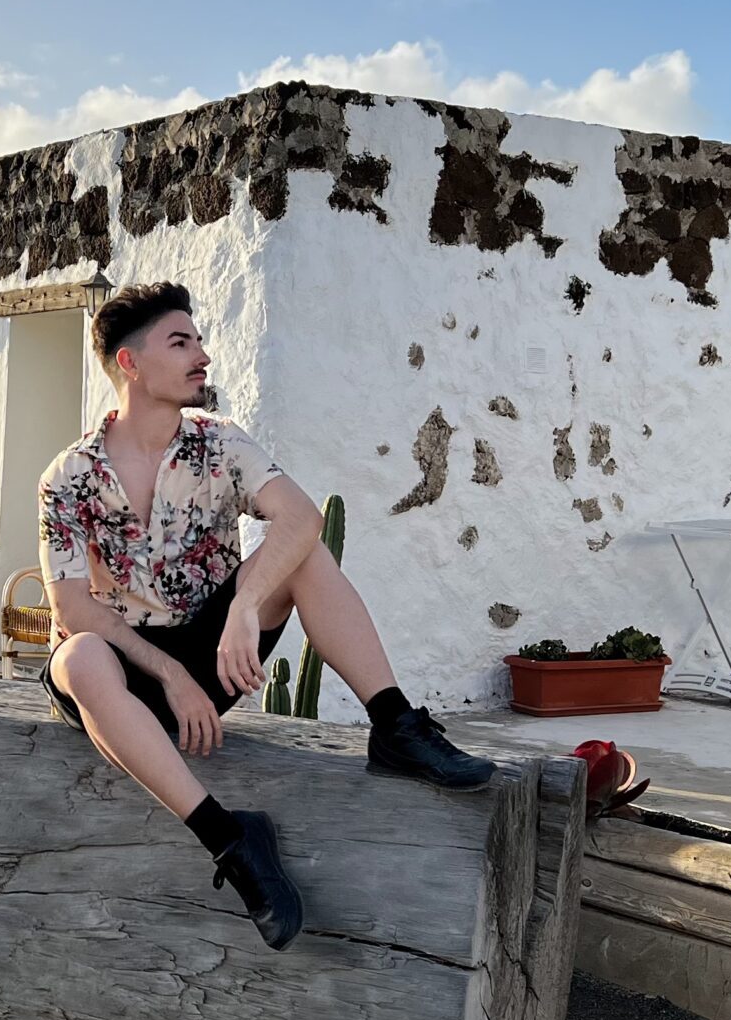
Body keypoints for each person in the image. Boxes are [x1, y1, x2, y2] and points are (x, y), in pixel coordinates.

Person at [37, 281, 496, 952]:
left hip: (208, 650)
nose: (203, 355)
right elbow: (71, 607)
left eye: (198, 339)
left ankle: (395, 723)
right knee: (78, 656)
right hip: (119, 677)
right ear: (130, 365)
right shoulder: (69, 474)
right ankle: (231, 839)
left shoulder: (219, 443)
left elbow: (303, 518)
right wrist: (170, 676)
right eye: (180, 342)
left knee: (304, 555)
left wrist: (244, 608)